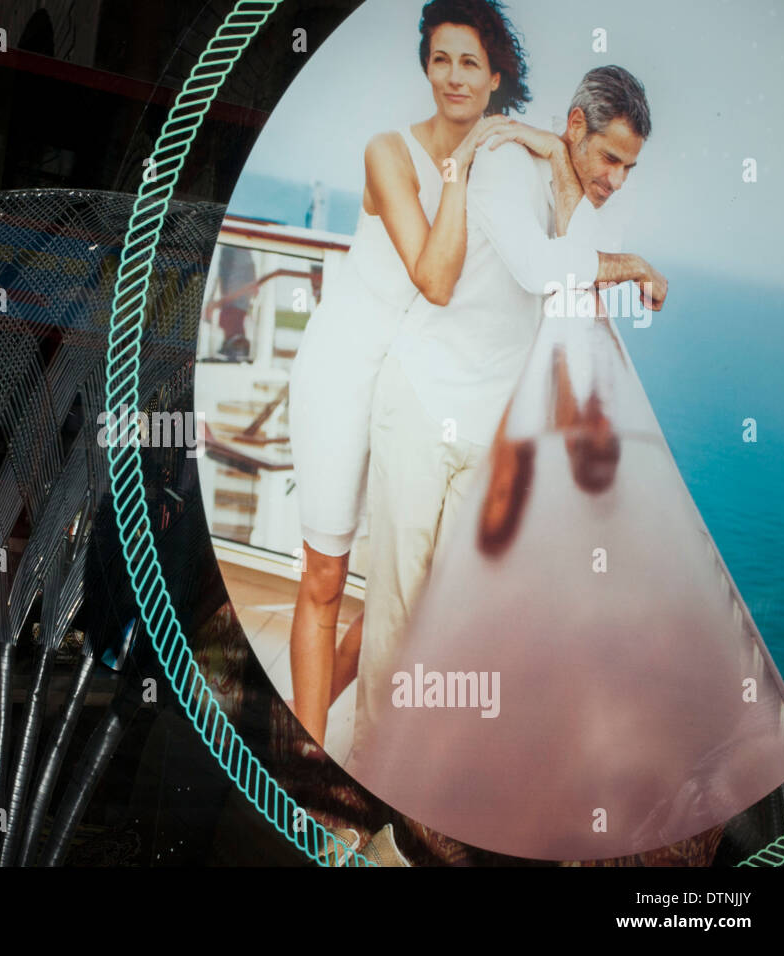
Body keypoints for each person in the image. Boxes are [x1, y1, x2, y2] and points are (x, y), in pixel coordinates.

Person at [351, 65, 668, 737]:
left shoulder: (568, 187)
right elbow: (539, 269)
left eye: (629, 167)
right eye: (611, 158)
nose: (616, 177)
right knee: (399, 610)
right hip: (421, 401)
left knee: (450, 614)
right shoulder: (501, 163)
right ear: (576, 127)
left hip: (484, 422)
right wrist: (633, 264)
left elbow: (564, 281)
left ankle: (410, 776)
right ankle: (363, 787)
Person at [286, 0, 529, 748]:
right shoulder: (388, 152)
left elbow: (570, 170)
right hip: (343, 369)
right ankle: (305, 766)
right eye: (440, 59)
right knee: (326, 576)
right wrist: (462, 168)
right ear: (426, 66)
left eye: (469, 62)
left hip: (410, 388)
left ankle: (328, 742)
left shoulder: (501, 158)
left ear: (495, 78)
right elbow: (436, 278)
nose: (452, 76)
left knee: (407, 583)